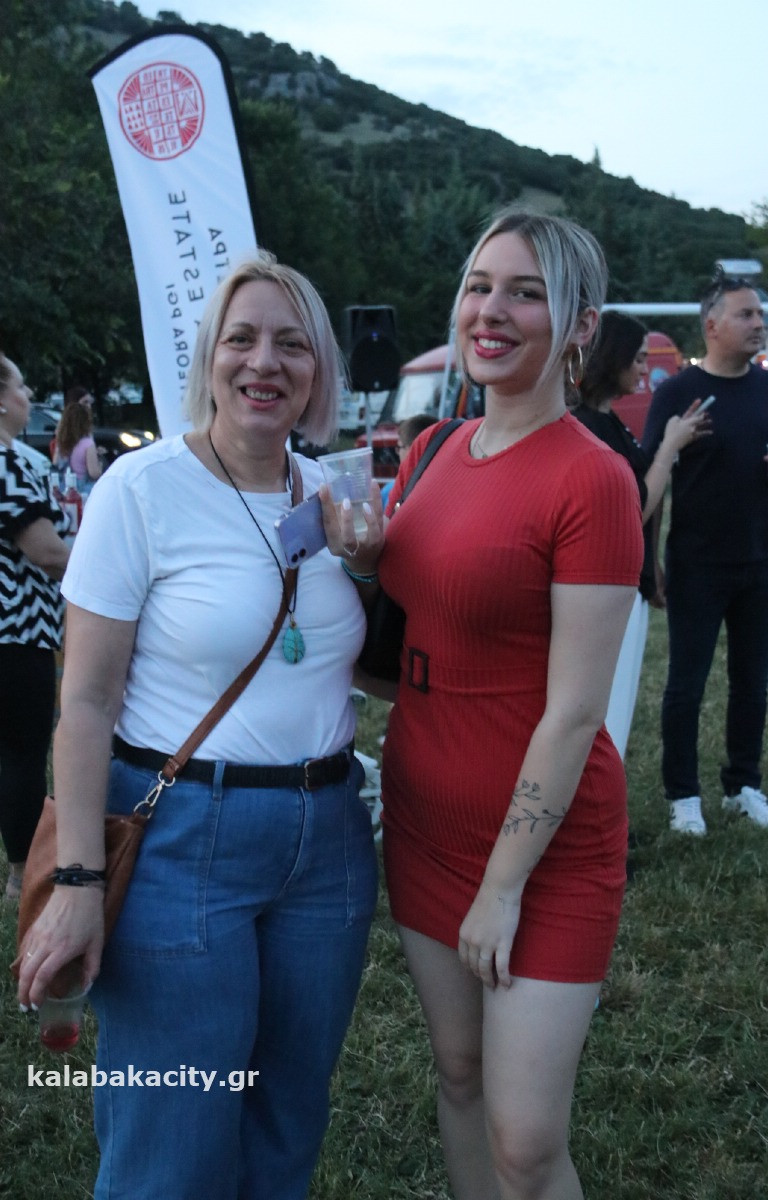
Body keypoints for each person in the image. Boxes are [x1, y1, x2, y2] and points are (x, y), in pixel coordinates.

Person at [16, 254, 380, 1199]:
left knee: (286, 1121)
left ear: (318, 369)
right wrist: (79, 881)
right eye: (242, 339)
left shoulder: (335, 494)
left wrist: (370, 567)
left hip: (329, 841)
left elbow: (359, 658)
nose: (265, 362)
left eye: (292, 344)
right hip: (183, 836)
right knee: (173, 1140)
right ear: (209, 357)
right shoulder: (141, 490)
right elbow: (83, 703)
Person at [352, 211, 643, 1199]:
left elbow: (574, 713)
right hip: (424, 823)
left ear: (579, 325)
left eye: (525, 292)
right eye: (480, 285)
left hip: (541, 855)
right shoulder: (433, 450)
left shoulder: (592, 479)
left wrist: (503, 886)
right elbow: (408, 648)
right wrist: (362, 565)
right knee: (460, 1074)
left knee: (525, 1141)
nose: (491, 310)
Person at [642, 276, 768, 835]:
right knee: (686, 685)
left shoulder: (765, 387)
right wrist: (649, 561)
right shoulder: (678, 393)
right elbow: (653, 479)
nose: (759, 323)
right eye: (746, 314)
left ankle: (743, 786)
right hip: (697, 562)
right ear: (712, 325)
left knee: (752, 681)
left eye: (760, 314)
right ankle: (683, 796)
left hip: (760, 559)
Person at [573, 311, 710, 758]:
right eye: (636, 358)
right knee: (606, 715)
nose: (643, 369)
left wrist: (652, 566)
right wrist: (670, 445)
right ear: (610, 359)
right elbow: (633, 509)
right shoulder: (589, 427)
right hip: (605, 588)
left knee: (616, 710)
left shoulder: (609, 421)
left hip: (624, 583)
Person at [0, 349, 70, 899]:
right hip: (8, 632)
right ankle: (22, 876)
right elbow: (47, 553)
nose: (28, 396)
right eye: (21, 386)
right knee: (23, 755)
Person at [380, 412, 439, 508]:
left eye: (400, 447)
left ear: (413, 450)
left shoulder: (390, 492)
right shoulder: (449, 487)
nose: (398, 452)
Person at [52, 398, 102, 493]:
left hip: (64, 488)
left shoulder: (61, 442)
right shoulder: (88, 443)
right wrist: (100, 465)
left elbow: (55, 464)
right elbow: (94, 473)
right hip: (82, 490)